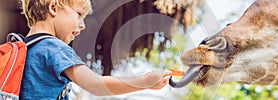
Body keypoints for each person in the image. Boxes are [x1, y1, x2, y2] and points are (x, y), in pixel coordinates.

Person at [19, 0, 172, 99]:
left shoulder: (24, 48)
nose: (82, 25)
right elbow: (97, 86)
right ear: (53, 8)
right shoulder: (56, 49)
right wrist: (145, 81)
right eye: (79, 15)